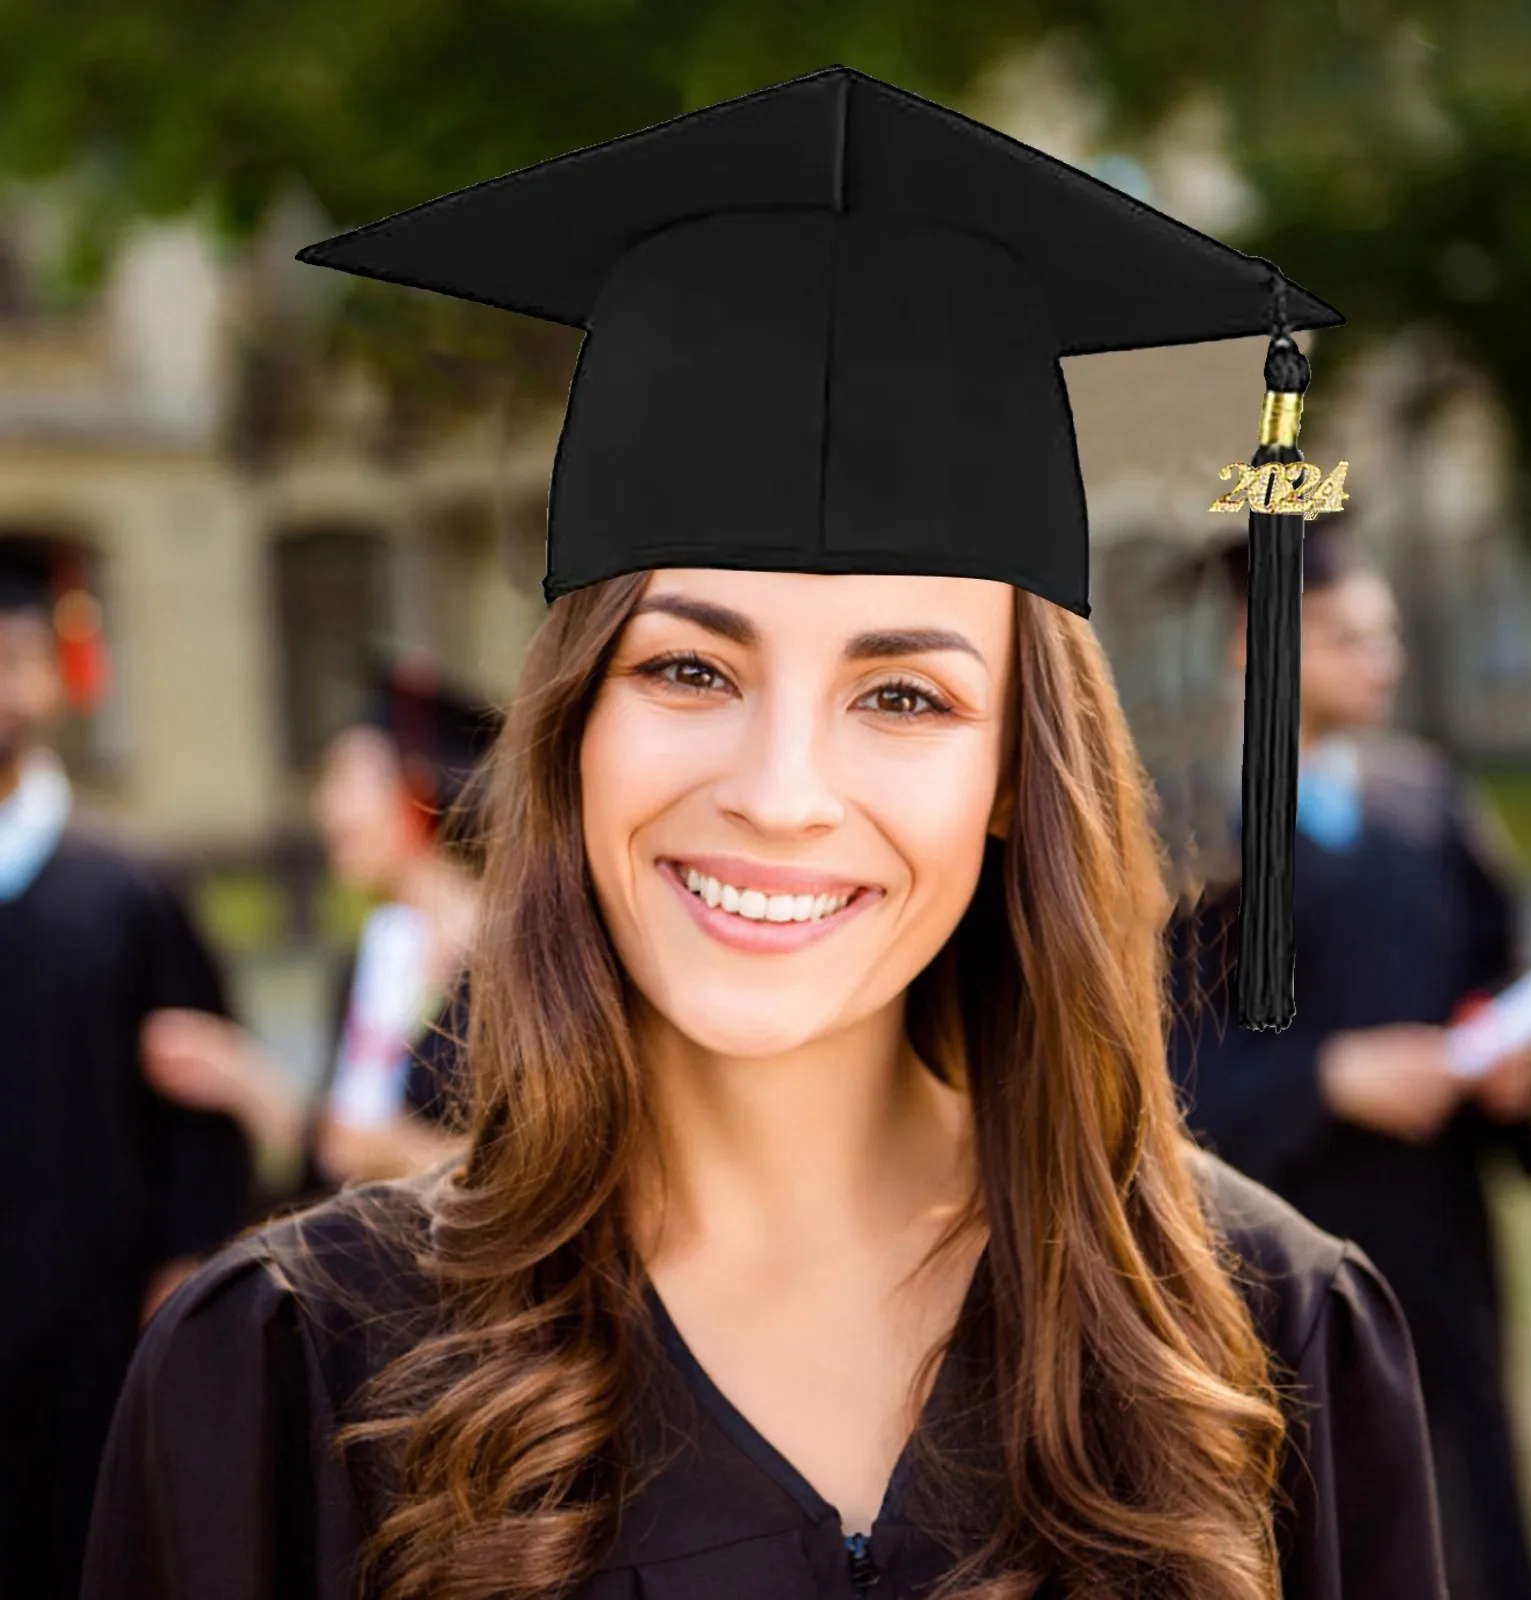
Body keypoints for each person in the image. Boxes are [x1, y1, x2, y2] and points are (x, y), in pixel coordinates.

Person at [85, 68, 1448, 1600]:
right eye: (688, 667)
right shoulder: (289, 1375)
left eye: (906, 697)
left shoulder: (1263, 1342)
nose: (782, 788)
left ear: (1014, 775)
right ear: (575, 728)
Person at [1167, 521, 1531, 1600]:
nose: (1380, 657)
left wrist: (1511, 1071)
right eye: (1344, 635)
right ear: (1257, 640)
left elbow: (1490, 967)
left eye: (1382, 633)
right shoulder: (1195, 833)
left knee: (1469, 1495)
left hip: (1434, 1225)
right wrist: (1327, 1079)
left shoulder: (1423, 800)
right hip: (1277, 1249)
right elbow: (1148, 1069)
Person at [0, 537, 251, 1598]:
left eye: (8, 660)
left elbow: (202, 1117)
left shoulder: (128, 892)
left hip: (97, 1338)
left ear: (53, 681)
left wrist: (183, 1269)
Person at [140, 654, 498, 1197]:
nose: (324, 806)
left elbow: (550, 1167)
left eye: (346, 779)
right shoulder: (377, 955)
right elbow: (341, 1150)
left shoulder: (513, 957)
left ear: (417, 788)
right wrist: (242, 1078)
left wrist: (408, 1154)